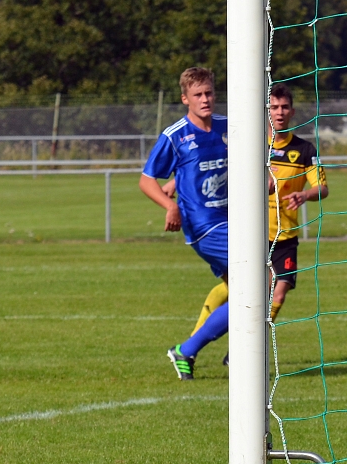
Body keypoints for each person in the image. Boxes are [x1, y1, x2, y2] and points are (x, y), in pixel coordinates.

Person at [187, 83, 328, 366]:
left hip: (284, 237)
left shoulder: (304, 150)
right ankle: (193, 342)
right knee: (232, 290)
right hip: (249, 234)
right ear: (266, 111)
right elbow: (214, 172)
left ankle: (240, 349)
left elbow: (323, 188)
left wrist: (304, 194)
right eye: (274, 107)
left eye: (284, 107)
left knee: (279, 290)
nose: (279, 112)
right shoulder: (250, 146)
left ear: (292, 111)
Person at [139, 67, 229, 380]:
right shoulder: (175, 136)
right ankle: (193, 349)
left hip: (233, 219)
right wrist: (170, 204)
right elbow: (147, 180)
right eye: (198, 95)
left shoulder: (227, 126)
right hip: (205, 226)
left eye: (209, 93)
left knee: (246, 289)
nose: (205, 99)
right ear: (185, 99)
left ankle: (187, 351)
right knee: (259, 286)